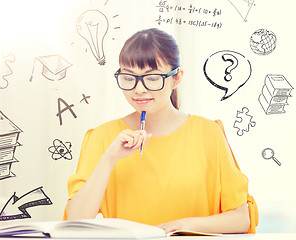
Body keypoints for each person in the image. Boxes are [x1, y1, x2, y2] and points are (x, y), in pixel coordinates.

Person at [64, 28, 258, 234]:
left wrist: (182, 226)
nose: (139, 89)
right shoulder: (102, 137)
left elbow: (240, 218)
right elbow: (75, 222)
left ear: (176, 78)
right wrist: (109, 159)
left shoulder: (208, 133)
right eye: (129, 78)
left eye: (152, 78)